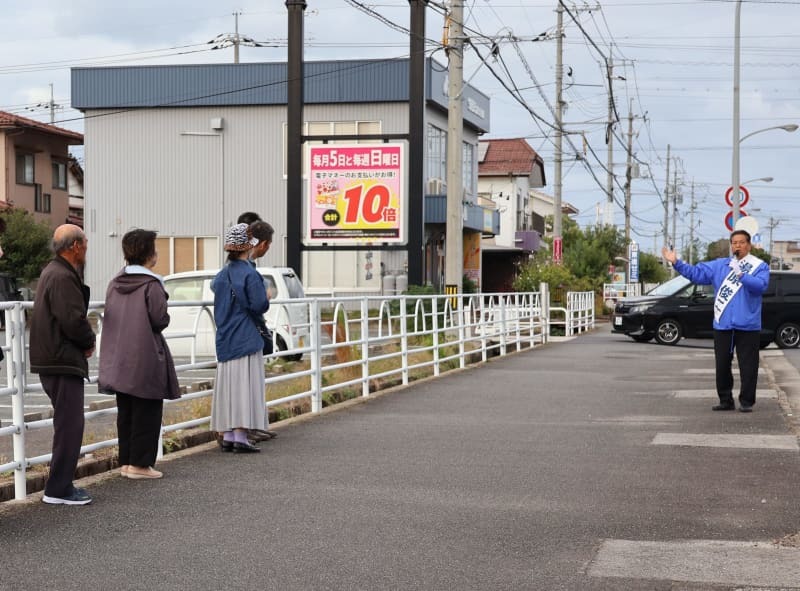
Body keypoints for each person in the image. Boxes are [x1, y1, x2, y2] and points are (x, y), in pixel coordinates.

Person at [98, 229, 181, 479]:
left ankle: (127, 462)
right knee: (147, 410)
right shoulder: (152, 284)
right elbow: (159, 319)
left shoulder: (115, 282)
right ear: (150, 255)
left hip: (119, 357)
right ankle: (141, 465)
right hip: (145, 356)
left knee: (126, 412)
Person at [662, 230, 769, 412]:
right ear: (731, 245)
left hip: (748, 324)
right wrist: (676, 263)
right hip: (723, 323)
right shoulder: (720, 265)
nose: (737, 246)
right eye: (734, 242)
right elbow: (696, 273)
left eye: (741, 242)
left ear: (748, 245)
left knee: (748, 366)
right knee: (722, 364)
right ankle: (725, 400)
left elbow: (760, 287)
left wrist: (742, 275)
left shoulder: (759, 266)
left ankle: (746, 401)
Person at [30, 224, 96, 505]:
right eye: (85, 242)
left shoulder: (54, 271)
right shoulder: (62, 276)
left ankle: (60, 486)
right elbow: (73, 319)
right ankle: (58, 488)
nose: (87, 247)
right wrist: (88, 340)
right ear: (75, 247)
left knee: (67, 423)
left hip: (53, 357)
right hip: (61, 358)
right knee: (70, 424)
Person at [211, 223, 270, 453]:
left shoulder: (221, 274)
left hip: (226, 337)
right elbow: (259, 305)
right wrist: (266, 296)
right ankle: (241, 435)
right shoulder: (249, 273)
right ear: (248, 246)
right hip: (245, 336)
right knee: (246, 386)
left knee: (228, 387)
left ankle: (227, 433)